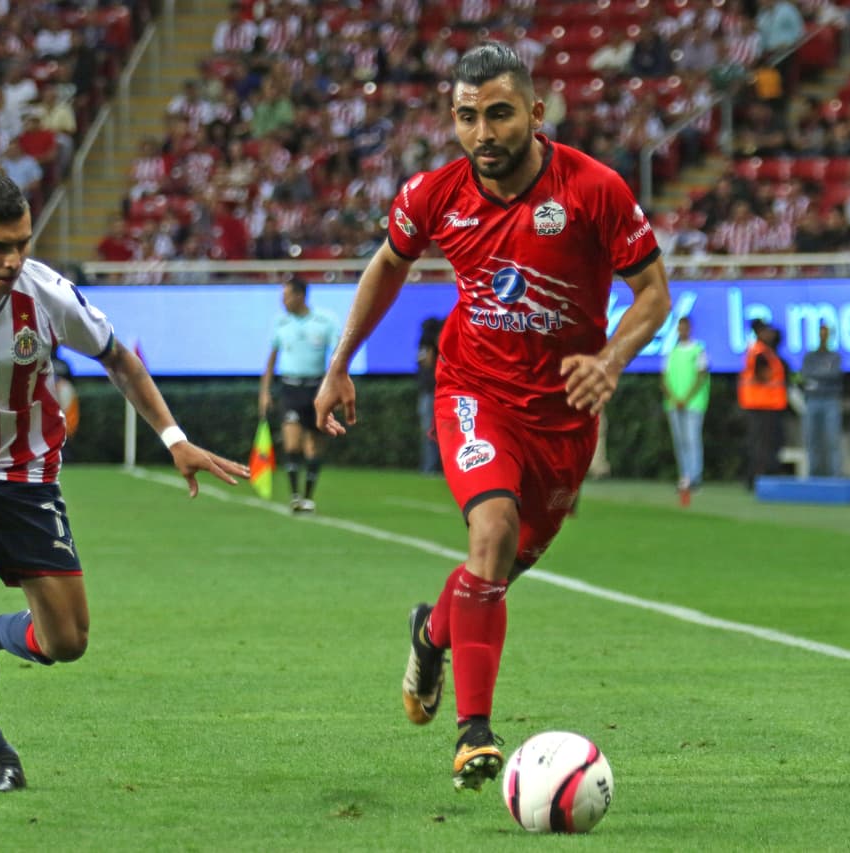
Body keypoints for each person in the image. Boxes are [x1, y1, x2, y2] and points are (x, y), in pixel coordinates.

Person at [313, 42, 670, 791]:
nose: (484, 133)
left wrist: (609, 362)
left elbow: (654, 295)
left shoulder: (593, 189)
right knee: (492, 530)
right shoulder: (434, 193)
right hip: (473, 390)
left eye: (500, 114)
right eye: (469, 117)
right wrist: (341, 360)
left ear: (537, 115)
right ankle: (474, 731)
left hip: (563, 415)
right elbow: (388, 262)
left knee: (500, 566)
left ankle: (431, 631)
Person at [0, 175, 248, 793]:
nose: (14, 260)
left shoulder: (47, 294)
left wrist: (174, 439)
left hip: (27, 473)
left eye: (23, 244)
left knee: (67, 642)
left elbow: (118, 357)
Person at [258, 276, 340, 513]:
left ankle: (308, 496)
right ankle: (294, 495)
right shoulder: (281, 323)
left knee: (314, 445)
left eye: (286, 296)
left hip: (316, 388)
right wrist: (265, 392)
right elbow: (271, 361)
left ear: (300, 296)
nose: (283, 301)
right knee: (292, 443)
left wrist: (334, 388)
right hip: (290, 388)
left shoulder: (325, 321)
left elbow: (336, 357)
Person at [738, 319, 788, 489]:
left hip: (763, 405)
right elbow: (763, 376)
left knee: (762, 444)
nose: (770, 334)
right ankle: (759, 480)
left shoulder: (764, 351)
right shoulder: (760, 352)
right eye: (767, 331)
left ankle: (758, 479)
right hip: (762, 405)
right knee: (763, 446)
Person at [661, 315, 709, 490]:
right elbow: (664, 378)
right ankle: (685, 475)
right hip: (673, 403)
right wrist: (674, 398)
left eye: (685, 327)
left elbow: (701, 376)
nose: (682, 331)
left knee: (692, 439)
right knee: (680, 441)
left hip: (693, 403)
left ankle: (695, 476)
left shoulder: (698, 349)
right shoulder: (671, 351)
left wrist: (686, 398)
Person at [799, 322, 843, 477]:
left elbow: (833, 375)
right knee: (812, 440)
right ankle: (814, 475)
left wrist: (817, 378)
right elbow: (806, 375)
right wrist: (821, 375)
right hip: (812, 401)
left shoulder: (835, 357)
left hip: (830, 400)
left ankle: (835, 475)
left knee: (832, 440)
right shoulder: (810, 357)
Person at [417, 317, 444, 475]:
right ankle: (430, 467)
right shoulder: (426, 345)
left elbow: (424, 362)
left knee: (432, 432)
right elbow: (424, 362)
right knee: (430, 432)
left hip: (436, 391)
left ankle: (432, 468)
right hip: (430, 390)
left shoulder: (433, 346)